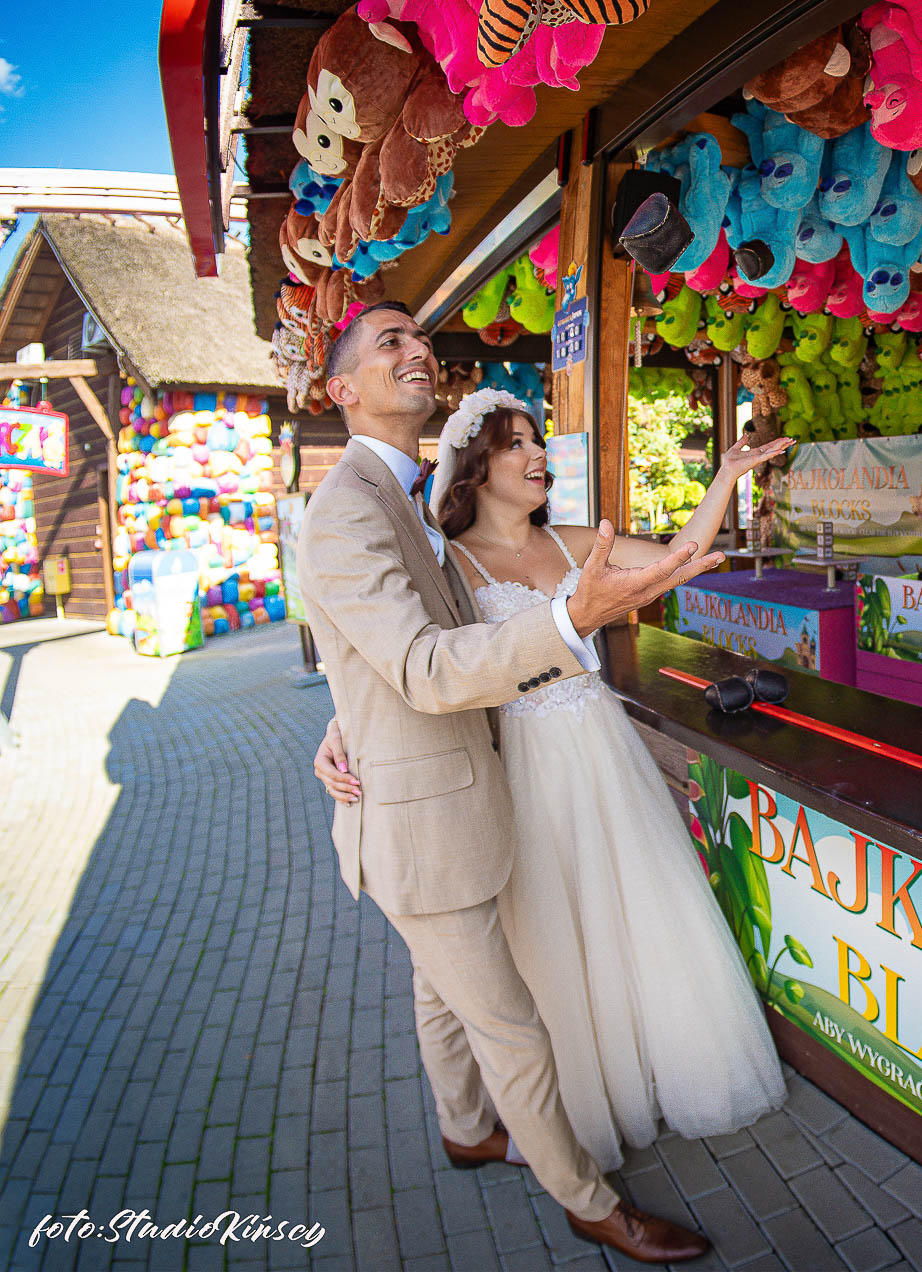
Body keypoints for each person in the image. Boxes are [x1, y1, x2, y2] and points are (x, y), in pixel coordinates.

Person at [299, 303, 721, 1264]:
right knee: (515, 1031)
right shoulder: (349, 508)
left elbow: (369, 654)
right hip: (421, 822)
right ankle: (589, 1204)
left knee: (440, 992)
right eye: (388, 343)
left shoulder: (402, 499)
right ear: (341, 389)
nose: (416, 349)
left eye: (418, 336)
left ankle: (464, 1129)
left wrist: (342, 722)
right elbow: (420, 664)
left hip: (449, 791)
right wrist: (571, 621)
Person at [320, 385, 793, 1171]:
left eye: (536, 441)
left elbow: (677, 556)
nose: (538, 454)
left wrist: (724, 480)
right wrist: (338, 729)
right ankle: (573, 1109)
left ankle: (664, 1068)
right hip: (519, 765)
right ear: (476, 468)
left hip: (601, 749)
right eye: (515, 444)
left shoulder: (574, 543)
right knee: (549, 931)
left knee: (634, 907)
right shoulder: (449, 562)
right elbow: (400, 658)